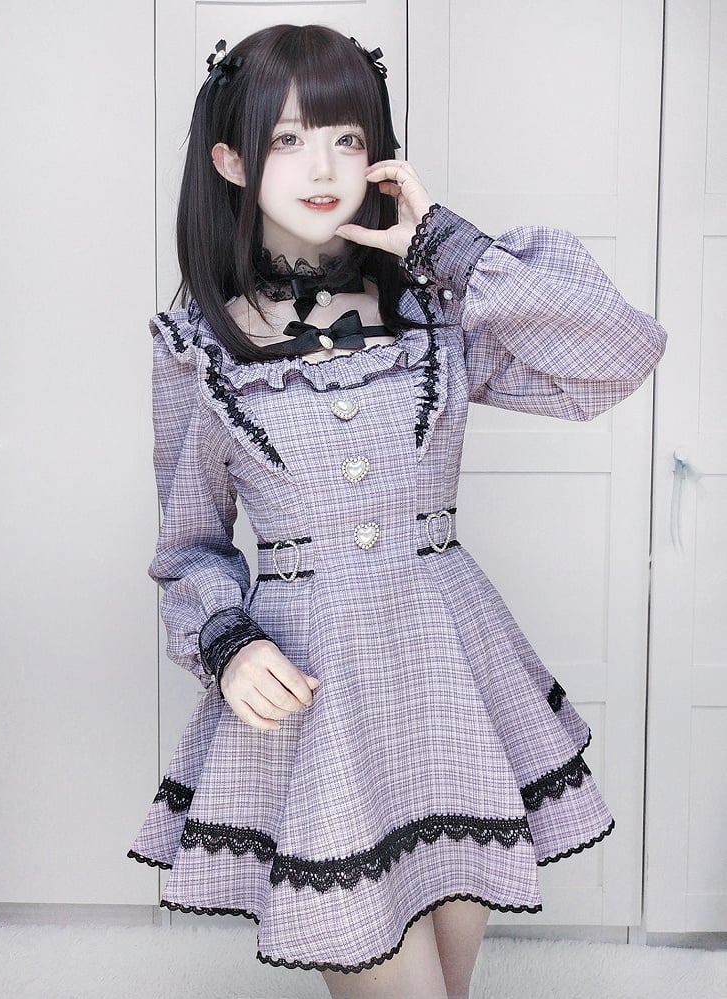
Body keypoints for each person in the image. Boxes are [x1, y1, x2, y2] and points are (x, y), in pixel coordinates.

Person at [128, 23, 666, 999]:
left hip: (451, 685)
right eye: (288, 138)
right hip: (320, 703)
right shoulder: (195, 350)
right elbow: (190, 546)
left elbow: (617, 354)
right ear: (231, 160)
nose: (323, 166)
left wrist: (447, 246)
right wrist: (228, 643)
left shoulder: (438, 310)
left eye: (346, 136)